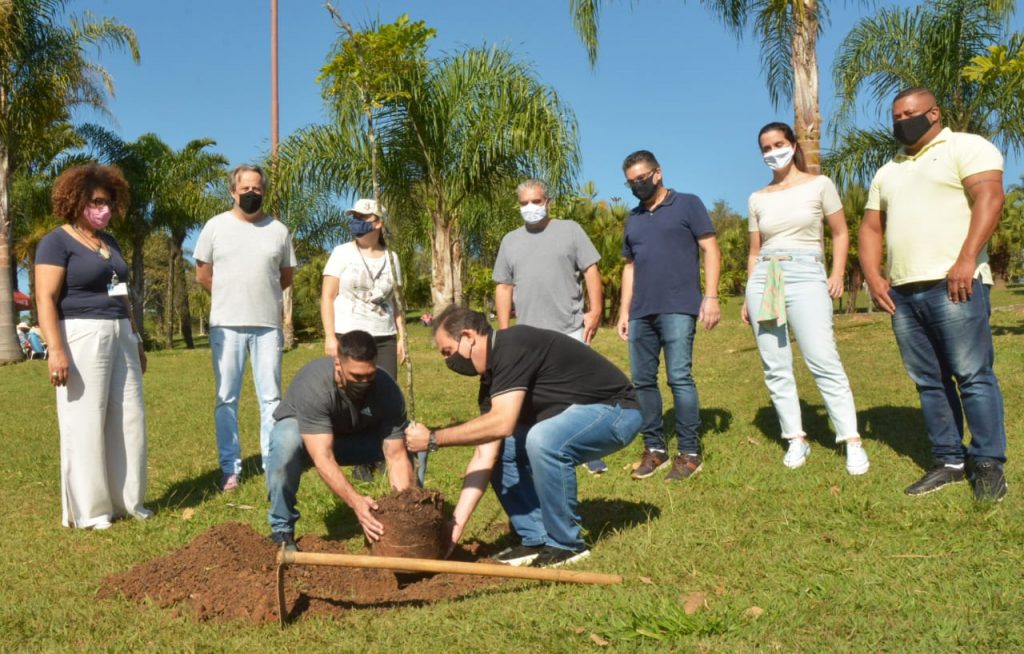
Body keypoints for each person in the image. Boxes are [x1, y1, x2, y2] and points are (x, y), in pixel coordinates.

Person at [404, 306, 642, 568]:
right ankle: (536, 537)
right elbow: (486, 453)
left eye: (448, 352)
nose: (449, 362)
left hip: (617, 412)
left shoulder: (513, 345)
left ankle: (567, 544)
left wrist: (434, 439)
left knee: (542, 439)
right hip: (579, 417)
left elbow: (503, 422)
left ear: (468, 336)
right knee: (502, 450)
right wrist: (456, 525)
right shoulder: (491, 380)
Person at [861, 87, 1008, 502]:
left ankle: (987, 463)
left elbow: (990, 197)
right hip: (903, 294)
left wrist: (965, 260)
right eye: (895, 117)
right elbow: (871, 227)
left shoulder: (965, 146)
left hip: (954, 283)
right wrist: (874, 278)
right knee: (928, 381)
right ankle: (948, 460)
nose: (901, 122)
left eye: (909, 113)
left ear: (934, 113)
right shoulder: (888, 169)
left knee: (973, 375)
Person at [742, 122, 869, 475]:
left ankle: (851, 439)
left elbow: (841, 232)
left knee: (822, 358)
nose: (772, 152)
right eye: (765, 148)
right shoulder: (757, 198)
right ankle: (795, 437)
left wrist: (837, 273)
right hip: (765, 278)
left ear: (793, 144)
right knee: (775, 362)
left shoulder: (820, 185)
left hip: (806, 273)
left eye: (778, 144)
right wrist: (747, 295)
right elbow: (754, 251)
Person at [34, 163, 151, 529]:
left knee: (129, 420)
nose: (104, 209)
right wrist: (55, 349)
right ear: (76, 200)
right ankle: (92, 510)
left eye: (109, 202)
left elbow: (122, 293)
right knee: (84, 420)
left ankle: (129, 501)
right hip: (81, 334)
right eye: (96, 201)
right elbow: (45, 298)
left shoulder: (110, 243)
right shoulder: (57, 241)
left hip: (120, 334)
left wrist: (136, 337)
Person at [493, 178, 608, 475]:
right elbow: (504, 286)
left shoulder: (570, 230)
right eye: (524, 203)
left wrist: (595, 311)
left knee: (578, 393)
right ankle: (537, 448)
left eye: (536, 201)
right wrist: (505, 331)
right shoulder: (510, 241)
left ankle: (588, 450)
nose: (530, 207)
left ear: (548, 202)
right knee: (536, 395)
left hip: (569, 326)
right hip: (529, 334)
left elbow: (591, 271)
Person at [618, 150, 721, 481]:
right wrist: (623, 311)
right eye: (631, 182)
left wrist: (712, 296)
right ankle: (655, 450)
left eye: (642, 179)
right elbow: (629, 267)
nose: (637, 186)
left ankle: (689, 453)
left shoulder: (688, 204)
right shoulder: (633, 217)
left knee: (679, 377)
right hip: (640, 312)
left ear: (658, 174)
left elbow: (710, 248)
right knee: (643, 381)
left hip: (678, 306)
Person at [195, 164, 297, 491]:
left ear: (264, 191)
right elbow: (203, 274)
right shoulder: (215, 227)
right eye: (245, 189)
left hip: (267, 326)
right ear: (232, 192)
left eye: (257, 189)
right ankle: (230, 468)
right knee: (227, 398)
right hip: (226, 326)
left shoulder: (278, 230)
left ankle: (271, 463)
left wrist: (258, 296)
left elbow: (285, 277)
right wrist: (230, 296)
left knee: (271, 398)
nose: (251, 194)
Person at [265, 330, 414, 551]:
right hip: (310, 442)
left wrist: (403, 510)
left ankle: (409, 523)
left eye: (369, 376)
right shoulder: (315, 386)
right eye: (356, 376)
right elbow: (322, 456)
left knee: (413, 441)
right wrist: (357, 503)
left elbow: (396, 455)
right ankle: (282, 530)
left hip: (353, 441)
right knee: (285, 439)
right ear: (338, 365)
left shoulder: (386, 388)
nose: (364, 382)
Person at [321, 198, 406, 482]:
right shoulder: (341, 253)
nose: (357, 221)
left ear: (378, 223)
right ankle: (359, 457)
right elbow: (328, 296)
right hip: (349, 335)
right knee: (353, 393)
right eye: (354, 216)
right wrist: (330, 336)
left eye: (364, 217)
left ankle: (383, 452)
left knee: (384, 393)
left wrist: (402, 338)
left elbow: (396, 303)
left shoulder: (392, 258)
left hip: (384, 336)